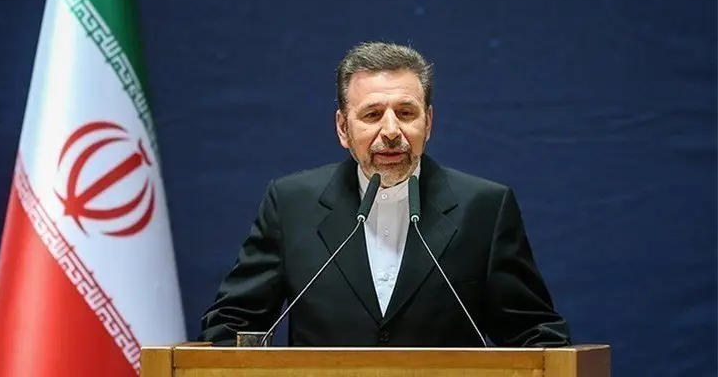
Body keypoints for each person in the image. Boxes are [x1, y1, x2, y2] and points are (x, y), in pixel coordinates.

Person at [199, 42, 571, 347]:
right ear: (343, 128)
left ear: (428, 123)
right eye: (372, 115)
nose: (391, 131)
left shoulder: (484, 207)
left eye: (406, 113)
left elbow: (536, 336)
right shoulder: (291, 204)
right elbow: (231, 325)